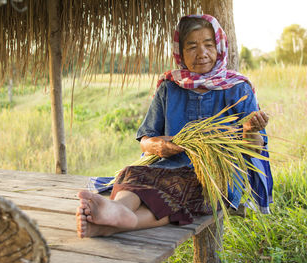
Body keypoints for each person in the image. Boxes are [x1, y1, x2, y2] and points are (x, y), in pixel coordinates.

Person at [76, 14, 272, 238]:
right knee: (134, 173)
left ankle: (119, 216)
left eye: (208, 45)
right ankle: (115, 214)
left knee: (186, 187)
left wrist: (250, 131)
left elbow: (255, 149)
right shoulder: (169, 87)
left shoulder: (238, 88)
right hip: (168, 167)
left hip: (217, 177)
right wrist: (158, 146)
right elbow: (145, 139)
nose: (202, 54)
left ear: (219, 48)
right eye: (192, 47)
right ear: (180, 52)